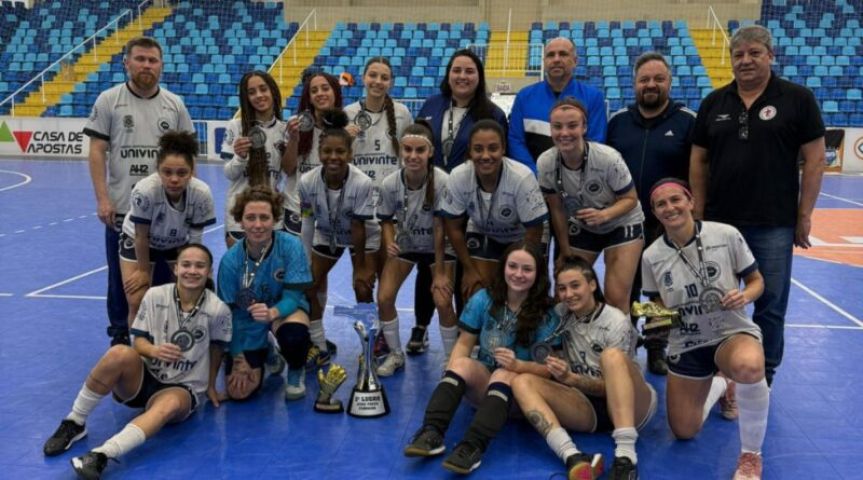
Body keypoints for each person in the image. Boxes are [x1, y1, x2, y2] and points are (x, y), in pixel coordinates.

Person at [689, 25, 825, 386]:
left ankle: (762, 377)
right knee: (714, 301)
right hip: (719, 224)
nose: (746, 60)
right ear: (731, 60)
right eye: (739, 55)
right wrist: (698, 214)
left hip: (773, 224)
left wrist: (804, 215)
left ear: (770, 55)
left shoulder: (798, 99)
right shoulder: (713, 103)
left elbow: (814, 160)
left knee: (771, 304)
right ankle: (719, 374)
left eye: (754, 53)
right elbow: (698, 161)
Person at [42, 243, 231, 480]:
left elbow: (217, 350)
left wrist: (211, 385)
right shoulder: (155, 295)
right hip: (145, 378)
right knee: (119, 352)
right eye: (186, 264)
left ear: (209, 271)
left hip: (182, 388)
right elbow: (138, 342)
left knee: (170, 403)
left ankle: (101, 454)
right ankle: (75, 422)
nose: (192, 271)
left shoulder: (218, 310)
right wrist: (154, 350)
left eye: (199, 266)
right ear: (175, 269)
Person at [643, 178, 771, 479]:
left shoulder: (726, 234)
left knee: (749, 367)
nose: (669, 207)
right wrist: (651, 327)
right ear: (654, 213)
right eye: (661, 204)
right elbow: (658, 306)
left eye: (676, 199)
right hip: (687, 341)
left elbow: (757, 282)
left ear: (690, 202)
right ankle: (719, 384)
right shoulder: (651, 256)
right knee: (684, 431)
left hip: (730, 332)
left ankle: (751, 456)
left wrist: (745, 295)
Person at [403, 241, 559, 475]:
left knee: (504, 374)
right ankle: (431, 432)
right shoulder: (484, 299)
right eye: (512, 266)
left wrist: (518, 365)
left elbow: (548, 370)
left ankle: (472, 447)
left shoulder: (547, 314)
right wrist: (450, 378)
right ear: (503, 267)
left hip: (522, 397)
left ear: (538, 274)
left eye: (527, 269)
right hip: (486, 390)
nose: (518, 274)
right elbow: (464, 343)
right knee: (461, 364)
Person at [84, 36, 194, 346]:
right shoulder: (109, 100)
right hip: (122, 209)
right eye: (140, 59)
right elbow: (97, 151)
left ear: (161, 66)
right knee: (123, 279)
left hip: (167, 210)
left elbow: (189, 157)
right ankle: (121, 332)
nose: (146, 65)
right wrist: (103, 198)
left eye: (152, 60)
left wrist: (187, 203)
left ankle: (162, 330)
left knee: (164, 277)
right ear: (126, 63)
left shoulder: (174, 104)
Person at [511, 256, 658, 480]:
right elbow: (529, 303)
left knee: (611, 357)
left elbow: (612, 389)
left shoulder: (615, 322)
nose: (569, 294)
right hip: (588, 406)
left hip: (632, 406)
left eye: (575, 285)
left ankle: (626, 458)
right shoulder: (561, 314)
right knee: (521, 381)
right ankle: (572, 456)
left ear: (592, 285)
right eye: (562, 288)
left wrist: (570, 378)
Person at [606, 52, 697, 375]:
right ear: (634, 84)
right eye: (645, 79)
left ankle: (657, 345)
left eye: (658, 79)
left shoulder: (687, 121)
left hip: (668, 224)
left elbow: (698, 171)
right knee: (624, 288)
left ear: (669, 82)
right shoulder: (617, 122)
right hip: (623, 223)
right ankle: (625, 343)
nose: (651, 85)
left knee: (661, 289)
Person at [537, 98, 643, 318]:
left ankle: (620, 349)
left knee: (615, 297)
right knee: (566, 290)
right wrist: (565, 250)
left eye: (572, 126)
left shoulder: (607, 158)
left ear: (584, 127)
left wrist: (604, 214)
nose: (564, 133)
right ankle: (575, 347)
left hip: (622, 221)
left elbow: (630, 199)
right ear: (551, 129)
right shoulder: (545, 162)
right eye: (557, 127)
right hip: (584, 225)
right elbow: (556, 208)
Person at [375, 121, 458, 376]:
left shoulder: (444, 181)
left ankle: (451, 360)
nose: (413, 156)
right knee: (384, 297)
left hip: (439, 246)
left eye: (419, 150)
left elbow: (441, 228)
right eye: (407, 149)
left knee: (443, 300)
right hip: (408, 244)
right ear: (400, 150)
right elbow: (386, 217)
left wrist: (441, 272)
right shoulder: (390, 183)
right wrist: (390, 241)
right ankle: (395, 353)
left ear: (430, 152)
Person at [217, 185, 313, 401]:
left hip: (285, 310)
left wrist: (272, 313)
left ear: (275, 219)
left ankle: (296, 371)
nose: (258, 225)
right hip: (246, 320)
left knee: (294, 337)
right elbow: (230, 315)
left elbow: (293, 297)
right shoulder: (230, 261)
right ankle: (268, 351)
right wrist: (238, 356)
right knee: (237, 393)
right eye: (250, 218)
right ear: (240, 221)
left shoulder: (291, 246)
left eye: (264, 217)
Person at [299, 109, 378, 367]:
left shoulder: (362, 182)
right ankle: (318, 344)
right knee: (308, 283)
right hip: (327, 233)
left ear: (350, 154)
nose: (333, 157)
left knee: (363, 287)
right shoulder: (307, 181)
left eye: (340, 152)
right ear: (319, 153)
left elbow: (358, 227)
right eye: (327, 152)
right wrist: (304, 258)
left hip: (362, 237)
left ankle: (370, 346)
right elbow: (308, 219)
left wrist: (361, 268)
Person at [441, 120, 548, 303]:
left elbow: (535, 229)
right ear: (470, 151)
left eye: (493, 148)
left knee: (520, 292)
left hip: (524, 236)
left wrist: (515, 268)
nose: (485, 156)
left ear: (503, 149)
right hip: (484, 231)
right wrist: (469, 269)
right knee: (474, 291)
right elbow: (453, 228)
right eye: (478, 149)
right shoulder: (458, 176)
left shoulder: (521, 177)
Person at [119, 131, 216, 332]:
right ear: (158, 170)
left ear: (191, 172)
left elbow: (195, 240)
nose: (174, 179)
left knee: (192, 294)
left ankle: (183, 346)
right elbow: (140, 235)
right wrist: (144, 271)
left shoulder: (201, 193)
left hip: (178, 244)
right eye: (167, 172)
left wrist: (195, 268)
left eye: (182, 173)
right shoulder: (145, 190)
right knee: (137, 299)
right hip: (141, 242)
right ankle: (138, 356)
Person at [282, 71, 343, 363]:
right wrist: (293, 139)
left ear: (334, 93)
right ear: (308, 96)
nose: (320, 94)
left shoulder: (344, 125)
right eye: (314, 90)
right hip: (298, 211)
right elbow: (287, 168)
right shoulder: (297, 125)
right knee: (304, 278)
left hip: (331, 215)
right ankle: (306, 337)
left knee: (320, 280)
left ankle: (316, 334)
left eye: (325, 89)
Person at [508, 37, 607, 170]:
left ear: (575, 61)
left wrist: (571, 176)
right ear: (544, 61)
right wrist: (536, 175)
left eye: (563, 54)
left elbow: (596, 143)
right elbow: (515, 141)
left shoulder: (593, 97)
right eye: (550, 55)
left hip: (577, 182)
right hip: (532, 181)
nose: (556, 59)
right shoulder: (524, 97)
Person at [221, 71, 290, 246]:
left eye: (263, 89)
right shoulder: (236, 127)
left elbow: (289, 172)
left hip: (271, 213)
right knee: (241, 271)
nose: (259, 95)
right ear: (246, 98)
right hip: (239, 214)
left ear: (273, 91)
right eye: (251, 92)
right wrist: (240, 157)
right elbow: (229, 174)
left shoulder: (285, 130)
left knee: (271, 271)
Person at [418, 49, 508, 171]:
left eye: (469, 71)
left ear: (479, 77)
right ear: (448, 74)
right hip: (431, 184)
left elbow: (501, 158)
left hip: (471, 186)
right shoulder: (431, 105)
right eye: (456, 70)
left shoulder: (494, 115)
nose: (462, 76)